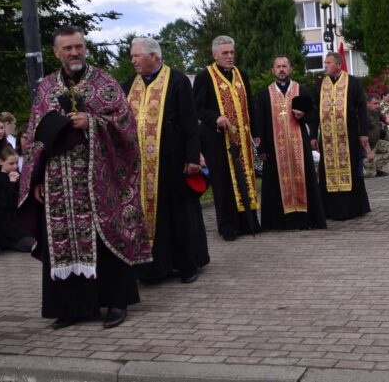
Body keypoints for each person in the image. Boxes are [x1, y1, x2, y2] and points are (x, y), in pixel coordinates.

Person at [19, 25, 151, 329]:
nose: (74, 52)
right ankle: (72, 307)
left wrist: (90, 121)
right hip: (57, 183)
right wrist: (36, 178)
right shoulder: (46, 88)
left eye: (79, 46)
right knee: (63, 243)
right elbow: (36, 138)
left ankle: (116, 303)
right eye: (67, 48)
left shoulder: (104, 82)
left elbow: (125, 125)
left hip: (97, 179)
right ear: (57, 52)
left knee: (106, 238)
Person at [124, 37, 209, 283]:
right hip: (141, 165)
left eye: (136, 56)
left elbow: (190, 122)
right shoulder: (130, 84)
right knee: (149, 216)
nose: (133, 60)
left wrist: (193, 156)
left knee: (179, 214)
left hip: (173, 161)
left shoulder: (177, 80)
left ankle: (187, 265)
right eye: (132, 56)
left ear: (154, 56)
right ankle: (153, 267)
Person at [193, 35, 259, 240]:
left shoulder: (241, 74)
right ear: (215, 55)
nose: (230, 57)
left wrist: (255, 133)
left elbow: (250, 105)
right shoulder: (205, 76)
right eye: (225, 53)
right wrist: (215, 118)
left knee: (245, 177)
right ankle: (228, 226)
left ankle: (249, 222)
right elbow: (197, 108)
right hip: (217, 139)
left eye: (232, 52)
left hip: (241, 137)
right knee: (224, 182)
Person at [252, 55, 326, 230]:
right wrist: (261, 148)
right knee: (275, 185)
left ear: (290, 69)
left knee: (305, 179)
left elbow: (314, 115)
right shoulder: (264, 94)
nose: (281, 69)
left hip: (299, 146)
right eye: (278, 67)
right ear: (273, 70)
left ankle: (306, 220)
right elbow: (259, 123)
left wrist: (304, 116)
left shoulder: (302, 91)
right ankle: (279, 223)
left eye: (284, 66)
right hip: (274, 149)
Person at [315, 52, 372, 220]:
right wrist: (313, 134)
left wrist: (363, 133)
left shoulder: (352, 82)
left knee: (351, 170)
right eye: (325, 62)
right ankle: (329, 210)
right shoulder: (320, 84)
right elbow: (314, 109)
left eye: (329, 62)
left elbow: (362, 108)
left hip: (349, 136)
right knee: (327, 172)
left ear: (339, 65)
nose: (325, 65)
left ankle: (353, 208)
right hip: (327, 139)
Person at [0, 146, 34, 252]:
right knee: (30, 244)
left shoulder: (19, 176)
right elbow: (4, 203)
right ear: (1, 162)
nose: (14, 166)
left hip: (21, 220)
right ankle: (6, 243)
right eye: (11, 163)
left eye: (16, 163)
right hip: (6, 223)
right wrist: (11, 183)